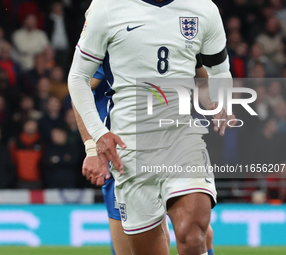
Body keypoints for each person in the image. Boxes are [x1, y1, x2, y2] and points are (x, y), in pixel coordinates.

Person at [68, 0, 235, 254]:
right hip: (127, 149)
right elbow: (77, 79)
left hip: (181, 138)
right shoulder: (107, 9)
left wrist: (221, 99)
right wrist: (94, 142)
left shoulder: (202, 8)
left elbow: (217, 69)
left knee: (193, 234)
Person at [74, 62, 216, 255]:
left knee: (197, 234)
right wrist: (91, 147)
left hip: (174, 143)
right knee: (133, 246)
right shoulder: (111, 41)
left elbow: (208, 82)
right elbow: (77, 85)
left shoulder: (180, 39)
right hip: (123, 152)